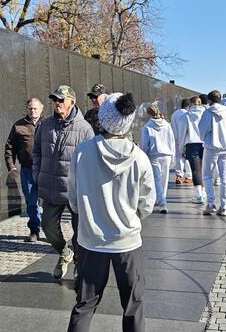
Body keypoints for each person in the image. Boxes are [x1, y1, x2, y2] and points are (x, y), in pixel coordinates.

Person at [67, 92, 155, 332]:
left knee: (84, 304)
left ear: (102, 118)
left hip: (91, 240)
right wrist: (131, 218)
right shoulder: (139, 157)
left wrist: (86, 215)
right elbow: (147, 203)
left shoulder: (82, 152)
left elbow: (73, 197)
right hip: (127, 242)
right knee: (133, 304)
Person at [33, 85, 94, 280]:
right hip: (50, 187)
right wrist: (37, 174)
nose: (57, 103)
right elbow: (36, 152)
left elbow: (91, 160)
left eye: (61, 100)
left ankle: (79, 264)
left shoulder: (84, 129)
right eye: (55, 100)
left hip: (76, 189)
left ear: (72, 103)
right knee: (47, 226)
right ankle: (64, 251)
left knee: (80, 232)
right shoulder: (45, 124)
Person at [5, 98, 44, 242]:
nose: (33, 111)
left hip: (46, 170)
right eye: (30, 108)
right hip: (27, 170)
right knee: (31, 201)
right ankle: (34, 230)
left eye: (35, 108)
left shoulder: (48, 124)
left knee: (51, 202)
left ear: (41, 108)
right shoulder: (19, 126)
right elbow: (9, 148)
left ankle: (53, 230)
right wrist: (11, 166)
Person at [198, 90, 226, 217]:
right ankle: (224, 207)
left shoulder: (208, 113)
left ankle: (211, 204)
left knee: (207, 176)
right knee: (225, 178)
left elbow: (202, 131)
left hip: (212, 147)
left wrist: (205, 139)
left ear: (209, 100)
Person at [140, 104, 175, 214]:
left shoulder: (147, 127)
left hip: (154, 154)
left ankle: (162, 201)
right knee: (164, 179)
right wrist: (172, 155)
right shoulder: (167, 125)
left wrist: (144, 155)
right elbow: (172, 141)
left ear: (149, 114)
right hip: (167, 154)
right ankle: (162, 198)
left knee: (157, 179)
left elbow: (145, 144)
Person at [176, 96, 206, 204]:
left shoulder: (186, 116)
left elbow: (182, 133)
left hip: (191, 144)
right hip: (205, 143)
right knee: (203, 169)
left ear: (191, 104)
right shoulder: (206, 114)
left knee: (195, 170)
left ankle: (198, 195)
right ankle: (203, 191)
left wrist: (181, 148)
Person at [170, 99, 193, 185]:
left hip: (176, 138)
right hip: (186, 139)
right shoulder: (187, 115)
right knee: (188, 157)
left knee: (179, 157)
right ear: (188, 106)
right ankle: (188, 176)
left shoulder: (174, 114)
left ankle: (179, 175)